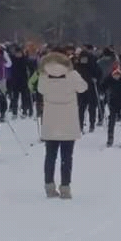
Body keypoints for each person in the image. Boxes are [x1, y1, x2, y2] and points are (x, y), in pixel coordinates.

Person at [38, 50, 88, 199]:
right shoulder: (72, 75)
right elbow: (83, 87)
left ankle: (49, 185)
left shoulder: (44, 75)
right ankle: (65, 187)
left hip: (51, 122)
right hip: (68, 122)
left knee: (50, 156)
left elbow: (40, 90)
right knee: (67, 157)